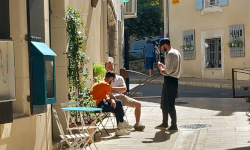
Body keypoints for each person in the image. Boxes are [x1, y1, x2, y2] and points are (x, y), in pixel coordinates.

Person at [105, 61, 145, 131]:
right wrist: (117, 89)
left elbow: (124, 89)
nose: (111, 68)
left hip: (121, 96)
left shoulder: (119, 78)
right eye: (109, 67)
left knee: (138, 104)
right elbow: (106, 91)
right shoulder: (104, 79)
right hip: (111, 98)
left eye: (112, 66)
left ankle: (137, 124)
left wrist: (113, 89)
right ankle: (121, 124)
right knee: (116, 107)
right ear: (106, 68)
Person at [90, 71, 133, 136]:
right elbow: (112, 96)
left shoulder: (100, 82)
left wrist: (111, 100)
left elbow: (105, 97)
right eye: (113, 81)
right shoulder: (106, 84)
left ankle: (120, 125)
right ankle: (121, 124)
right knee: (118, 103)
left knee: (117, 104)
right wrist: (113, 100)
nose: (112, 82)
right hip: (99, 106)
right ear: (111, 78)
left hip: (95, 104)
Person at [155, 38, 181, 131]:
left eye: (162, 47)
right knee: (165, 103)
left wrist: (161, 69)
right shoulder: (176, 52)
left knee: (169, 103)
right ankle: (165, 123)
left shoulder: (170, 54)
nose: (162, 49)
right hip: (173, 80)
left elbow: (168, 71)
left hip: (170, 80)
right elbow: (171, 68)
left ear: (165, 45)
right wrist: (163, 66)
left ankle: (173, 125)